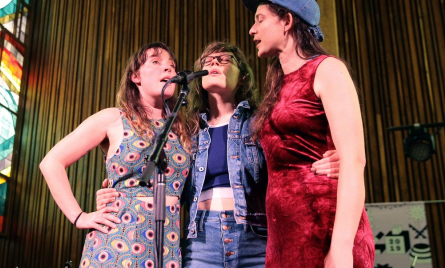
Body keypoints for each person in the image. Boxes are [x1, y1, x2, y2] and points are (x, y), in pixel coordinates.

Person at [97, 41, 341, 267]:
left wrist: (328, 161)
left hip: (256, 237)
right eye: (207, 61)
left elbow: (290, 164)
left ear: (243, 76)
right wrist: (116, 192)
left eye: (224, 60)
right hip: (201, 240)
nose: (213, 63)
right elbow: (166, 180)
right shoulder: (186, 131)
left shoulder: (262, 123)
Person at [241, 0, 375, 267]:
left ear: (287, 21)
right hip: (285, 237)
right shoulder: (277, 87)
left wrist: (340, 248)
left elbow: (353, 160)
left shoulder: (327, 69)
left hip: (323, 229)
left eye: (260, 19)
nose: (252, 30)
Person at [39, 42, 193, 268]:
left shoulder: (184, 129)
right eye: (156, 62)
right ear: (135, 77)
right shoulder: (114, 118)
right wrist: (79, 216)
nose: (168, 69)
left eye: (172, 65)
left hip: (167, 243)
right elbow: (51, 162)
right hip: (118, 240)